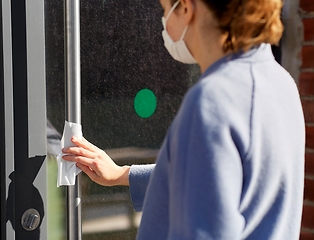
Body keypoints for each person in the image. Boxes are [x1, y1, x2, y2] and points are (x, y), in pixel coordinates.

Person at [62, 0, 306, 238]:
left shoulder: (213, 100)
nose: (164, 23)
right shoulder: (280, 83)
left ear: (186, 8)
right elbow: (216, 179)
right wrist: (122, 174)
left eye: (165, 9)